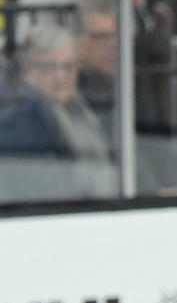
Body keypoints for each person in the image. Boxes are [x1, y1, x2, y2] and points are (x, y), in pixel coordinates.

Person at [0, 27, 116, 201]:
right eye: (49, 67)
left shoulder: (80, 108)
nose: (61, 76)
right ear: (28, 71)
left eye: (68, 66)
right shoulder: (20, 120)